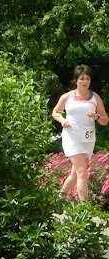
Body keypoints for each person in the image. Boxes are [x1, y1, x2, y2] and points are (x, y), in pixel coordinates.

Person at [52, 64, 109, 201]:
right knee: (83, 172)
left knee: (76, 174)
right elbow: (55, 112)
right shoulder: (67, 97)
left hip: (87, 139)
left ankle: (58, 200)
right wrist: (62, 120)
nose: (85, 81)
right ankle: (85, 208)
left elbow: (105, 120)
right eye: (82, 78)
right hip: (72, 137)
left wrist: (97, 117)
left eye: (87, 79)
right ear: (76, 80)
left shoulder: (95, 98)